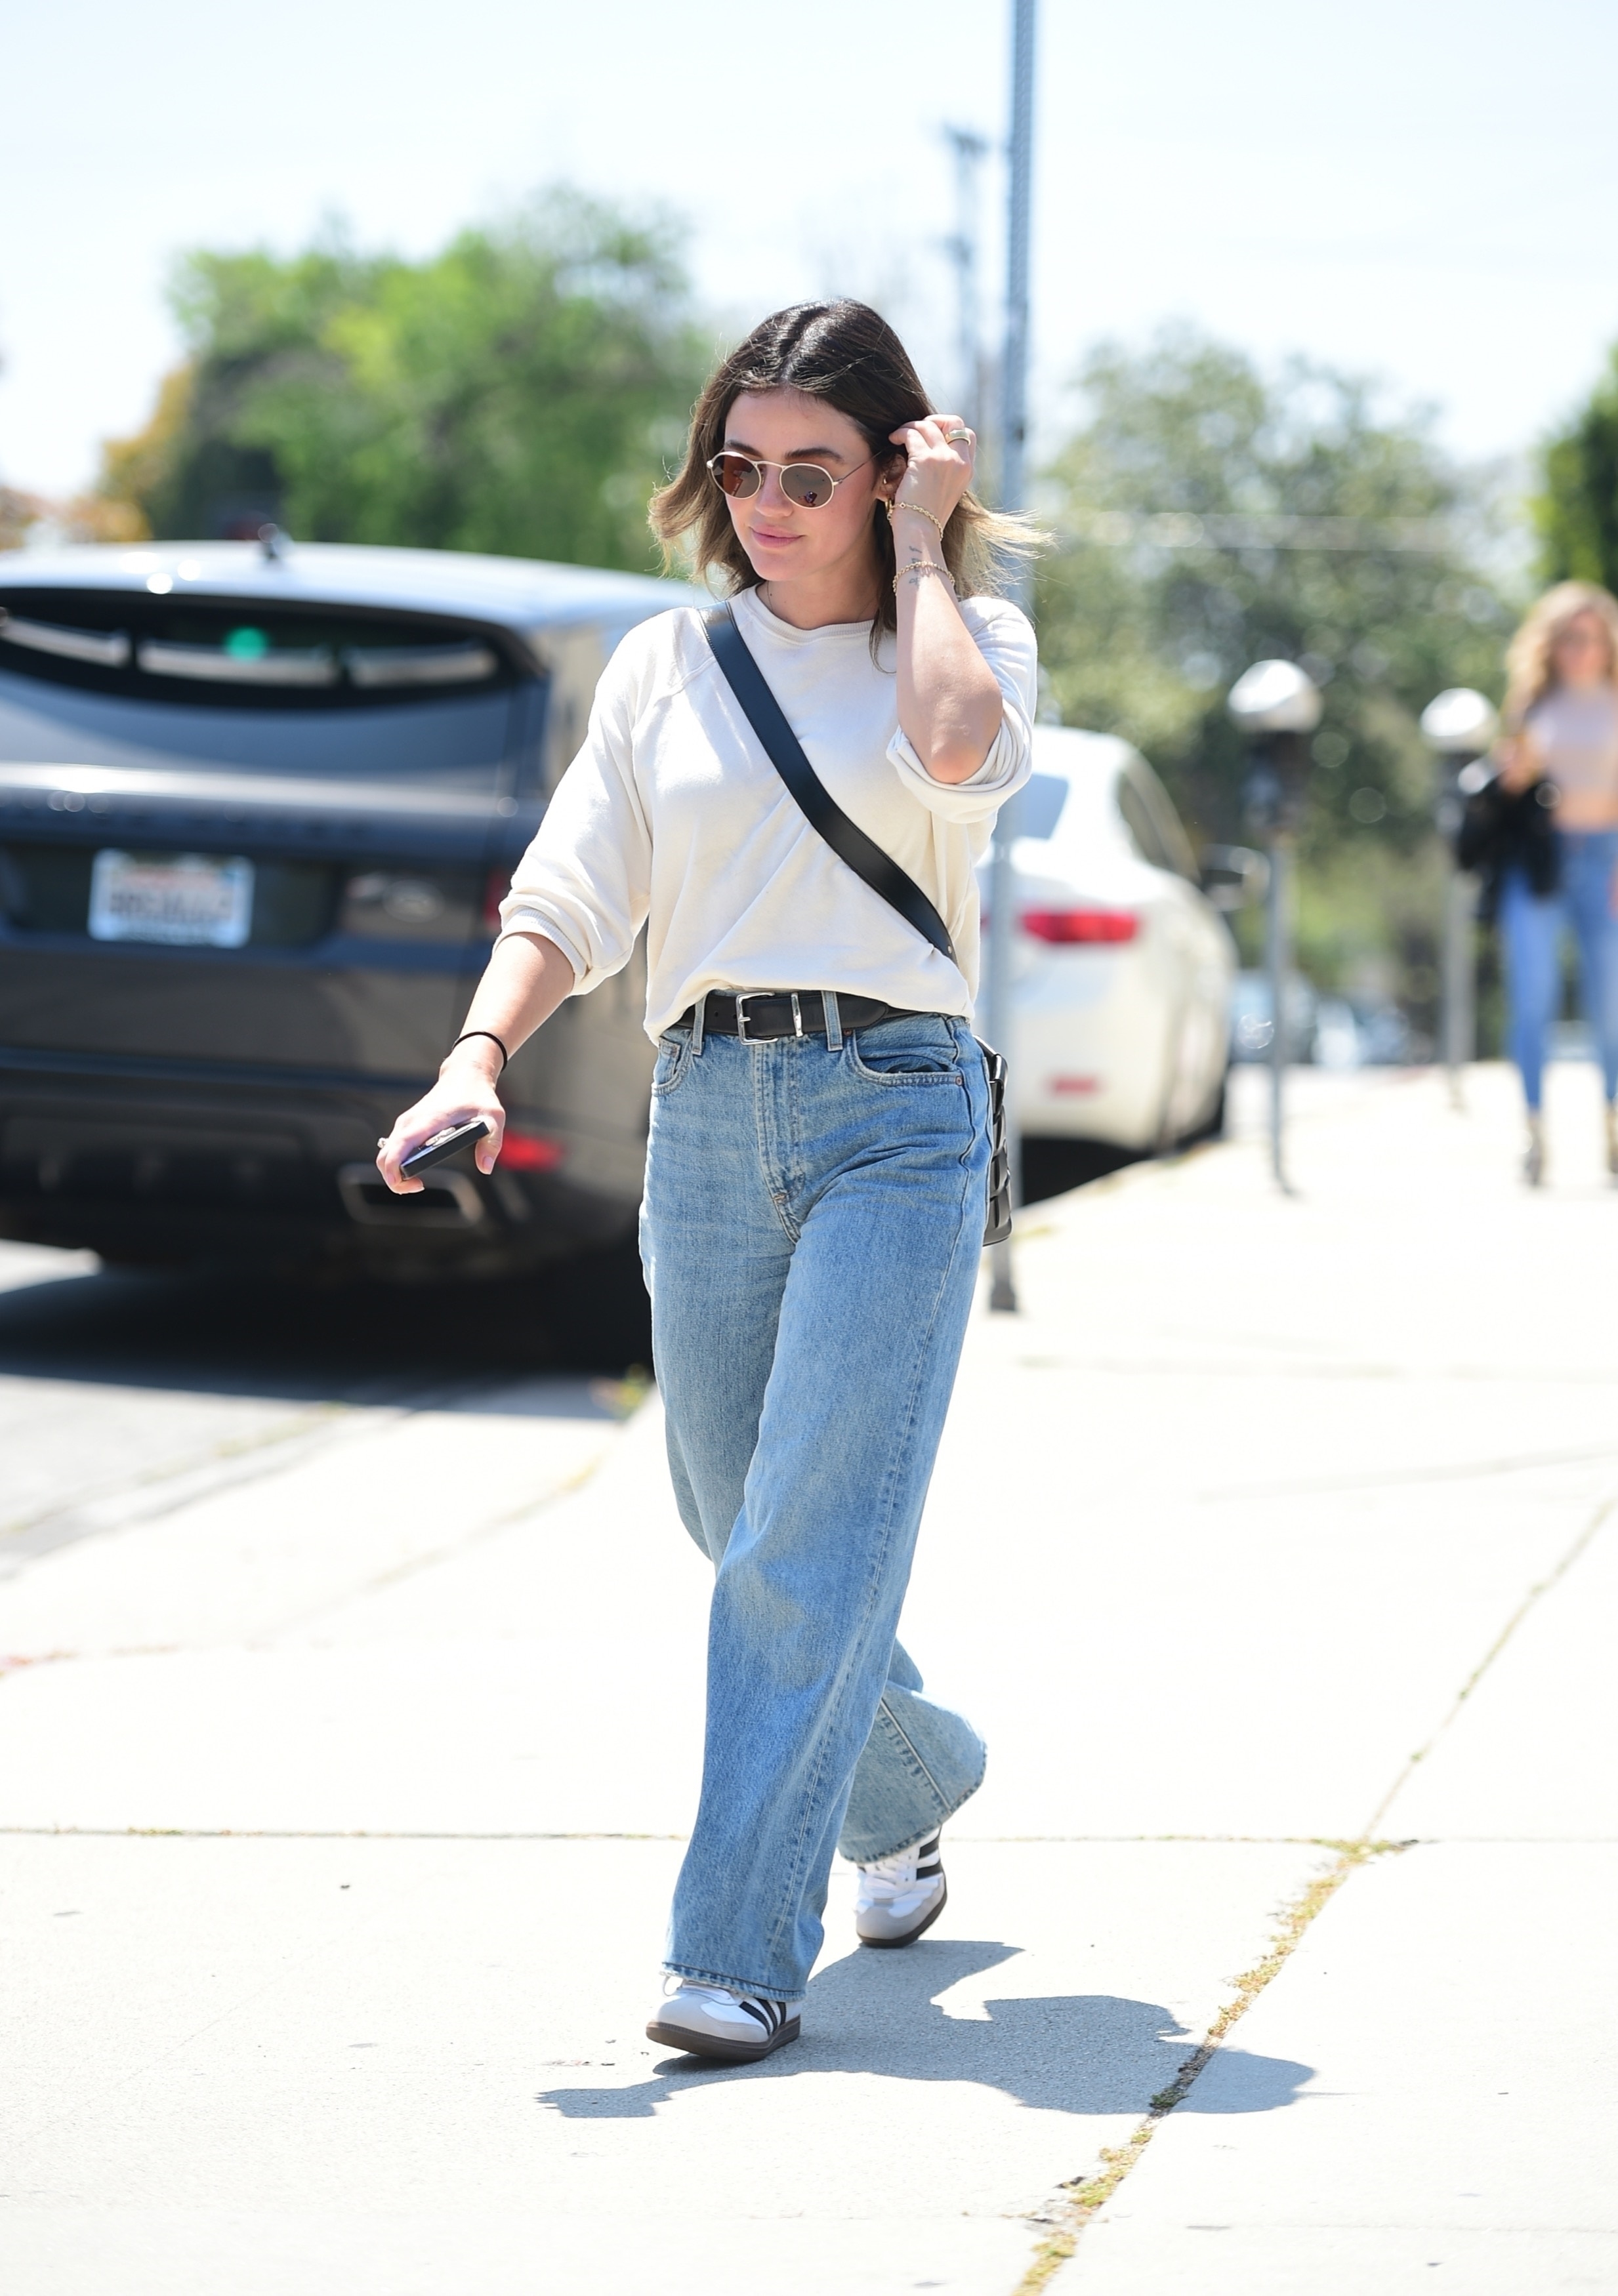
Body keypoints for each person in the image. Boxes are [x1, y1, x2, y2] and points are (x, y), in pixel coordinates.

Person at [377, 300, 1037, 2062]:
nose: (765, 504)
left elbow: (957, 759)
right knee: (730, 1518)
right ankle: (908, 1780)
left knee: (803, 1547)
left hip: (898, 1111)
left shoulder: (965, 641)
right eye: (741, 470)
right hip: (706, 1105)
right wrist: (475, 1055)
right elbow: (573, 887)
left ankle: (737, 1951)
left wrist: (924, 549)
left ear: (890, 474)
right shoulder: (665, 664)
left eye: (812, 474)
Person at [1493, 581, 1618, 1185]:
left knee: (1610, 1006)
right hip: (1541, 863)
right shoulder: (1530, 705)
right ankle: (1533, 1130)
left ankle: (1613, 1127)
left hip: (1607, 860)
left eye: (1589, 637)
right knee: (1532, 997)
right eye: (1567, 637)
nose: (1579, 649)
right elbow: (1512, 790)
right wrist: (1513, 771)